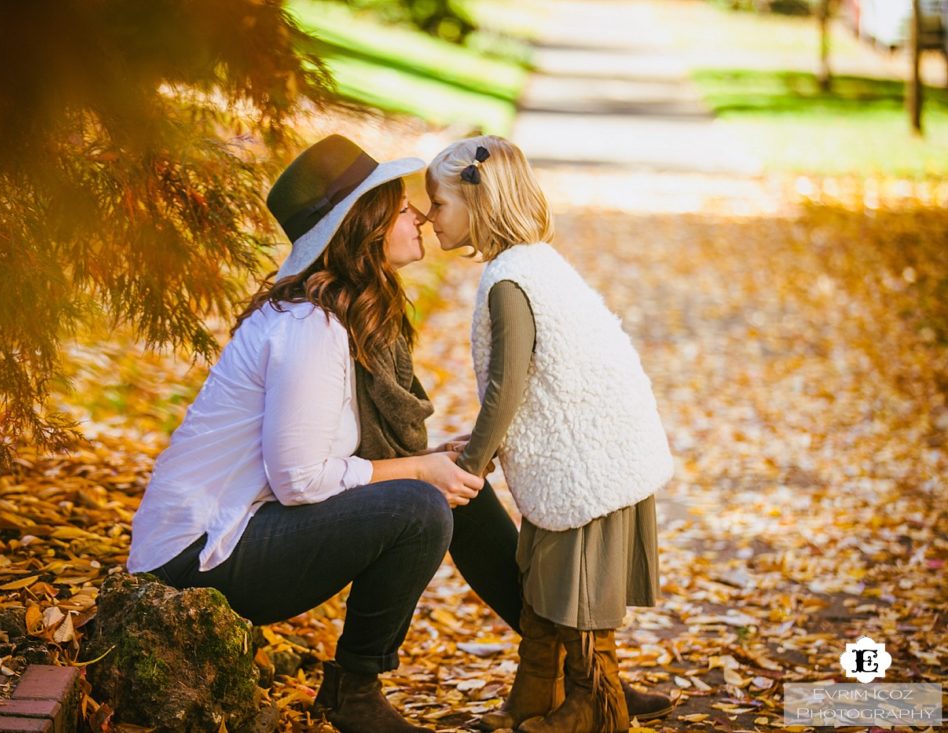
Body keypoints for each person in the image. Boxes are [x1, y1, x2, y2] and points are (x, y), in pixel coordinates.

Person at [126, 135, 486, 733]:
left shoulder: (334, 316)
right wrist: (418, 470)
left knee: (452, 488)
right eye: (401, 207)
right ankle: (356, 693)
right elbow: (299, 480)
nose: (419, 214)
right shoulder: (310, 327)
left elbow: (322, 461)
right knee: (420, 506)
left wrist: (429, 458)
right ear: (364, 226)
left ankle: (553, 653)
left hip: (238, 533)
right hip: (192, 561)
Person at [425, 135, 675, 733]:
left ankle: (596, 705)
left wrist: (475, 463)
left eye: (437, 204)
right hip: (578, 453)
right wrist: (479, 444)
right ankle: (534, 692)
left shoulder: (511, 282)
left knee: (575, 593)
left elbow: (508, 385)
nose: (430, 216)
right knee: (543, 585)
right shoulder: (525, 266)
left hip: (587, 462)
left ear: (476, 202)